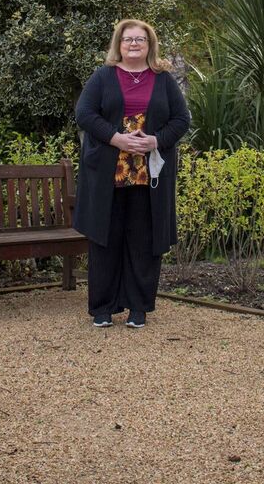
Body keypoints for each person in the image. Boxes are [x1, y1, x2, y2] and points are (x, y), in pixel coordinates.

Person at [73, 19, 190, 328]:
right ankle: (102, 308)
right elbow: (84, 114)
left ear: (150, 45)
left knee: (143, 238)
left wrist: (156, 140)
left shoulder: (164, 80)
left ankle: (138, 308)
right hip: (107, 172)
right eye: (128, 39)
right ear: (119, 44)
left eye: (140, 39)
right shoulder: (102, 77)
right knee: (105, 238)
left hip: (148, 172)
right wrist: (116, 138)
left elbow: (181, 119)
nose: (134, 44)